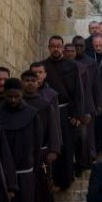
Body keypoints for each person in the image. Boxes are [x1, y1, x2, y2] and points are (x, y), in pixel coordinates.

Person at [42, 35, 85, 190]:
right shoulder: (43, 66)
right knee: (51, 145)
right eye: (52, 46)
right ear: (48, 47)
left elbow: (78, 92)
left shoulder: (72, 66)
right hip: (48, 112)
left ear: (62, 48)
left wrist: (77, 115)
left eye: (58, 46)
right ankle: (50, 180)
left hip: (66, 110)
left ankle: (66, 180)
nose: (55, 49)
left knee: (66, 145)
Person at [21, 70, 59, 202]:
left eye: (33, 80)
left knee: (42, 186)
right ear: (22, 82)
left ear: (38, 83)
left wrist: (53, 150)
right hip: (22, 154)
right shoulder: (18, 102)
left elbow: (53, 127)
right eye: (27, 80)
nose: (30, 83)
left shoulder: (44, 105)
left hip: (42, 152)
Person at [69, 38, 102, 171]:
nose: (78, 48)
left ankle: (91, 156)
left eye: (81, 46)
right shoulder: (69, 63)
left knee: (88, 132)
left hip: (87, 102)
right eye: (75, 46)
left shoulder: (90, 63)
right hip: (72, 104)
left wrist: (99, 103)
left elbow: (96, 84)